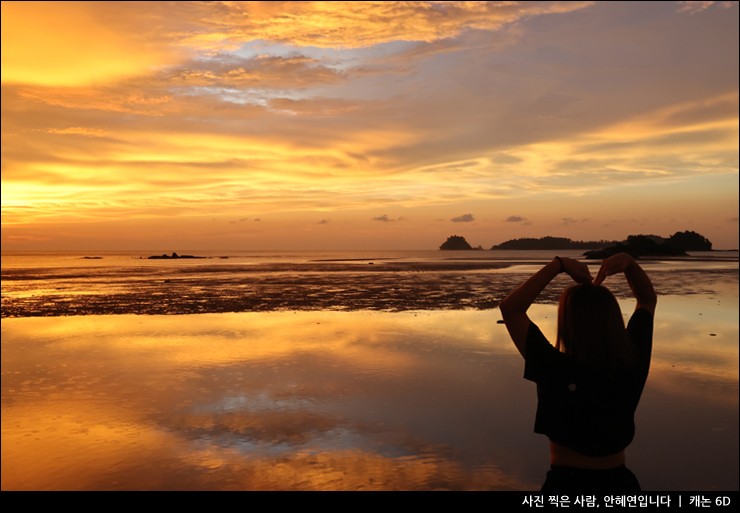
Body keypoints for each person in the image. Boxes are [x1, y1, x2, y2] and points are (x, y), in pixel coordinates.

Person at [499, 252, 657, 492]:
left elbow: (511, 308)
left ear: (568, 322)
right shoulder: (630, 362)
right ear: (612, 318)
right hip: (621, 485)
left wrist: (559, 265)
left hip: (565, 484)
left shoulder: (554, 366)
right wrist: (630, 265)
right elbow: (647, 301)